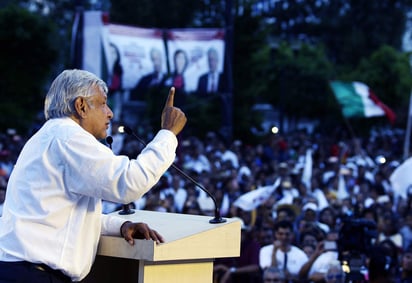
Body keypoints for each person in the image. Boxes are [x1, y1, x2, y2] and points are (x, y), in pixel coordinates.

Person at [0, 69, 187, 283]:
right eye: (103, 103)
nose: (110, 113)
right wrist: (168, 134)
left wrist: (120, 226)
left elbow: (64, 217)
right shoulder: (69, 137)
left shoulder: (49, 136)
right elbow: (129, 183)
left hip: (23, 272)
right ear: (81, 106)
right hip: (33, 276)